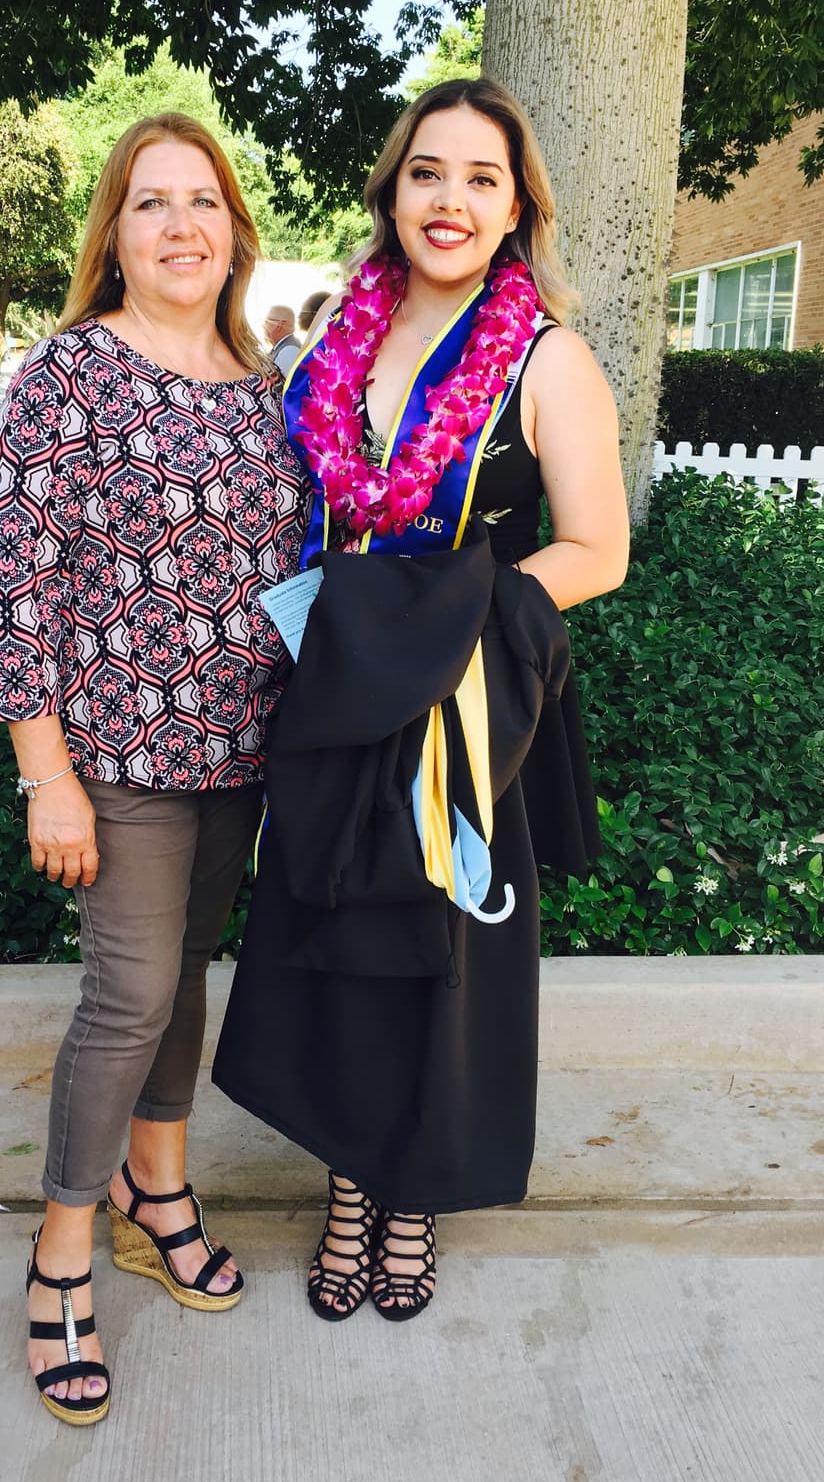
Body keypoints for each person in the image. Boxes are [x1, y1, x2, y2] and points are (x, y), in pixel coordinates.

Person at [213, 78, 629, 1324]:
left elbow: (595, 550)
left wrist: (440, 633)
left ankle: (410, 1201)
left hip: (456, 707)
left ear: (516, 209)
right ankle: (349, 1184)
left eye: (480, 179)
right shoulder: (336, 340)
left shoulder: (548, 357)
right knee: (335, 942)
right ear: (391, 193)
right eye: (427, 173)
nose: (449, 201)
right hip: (337, 694)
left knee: (436, 952)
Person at [0, 112, 306, 1425]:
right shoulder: (69, 373)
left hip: (244, 747)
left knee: (184, 985)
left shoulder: (265, 378)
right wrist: (43, 770)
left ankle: (155, 1189)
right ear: (114, 232)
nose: (181, 224)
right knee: (126, 995)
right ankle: (61, 1251)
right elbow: (16, 580)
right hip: (116, 749)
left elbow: (298, 565)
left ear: (235, 227)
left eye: (204, 200)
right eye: (152, 202)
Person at [262, 304, 302, 374]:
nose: (263, 326)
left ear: (279, 325)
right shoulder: (284, 348)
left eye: (266, 321)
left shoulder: (289, 351)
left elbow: (287, 384)